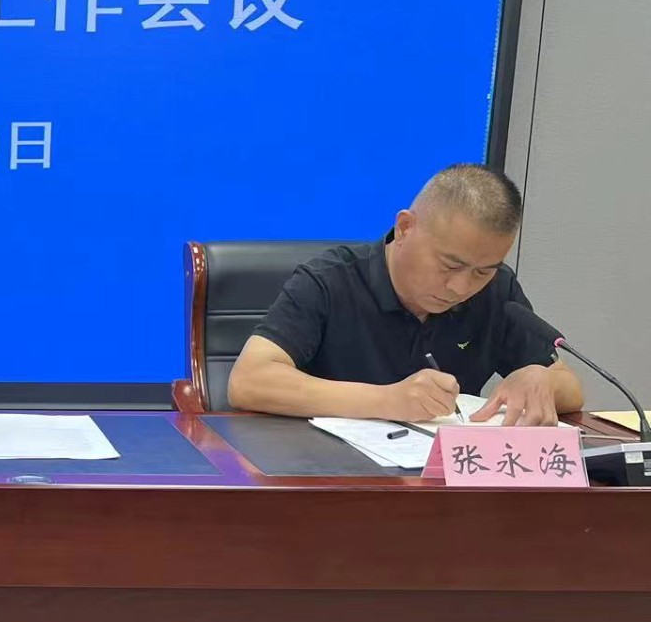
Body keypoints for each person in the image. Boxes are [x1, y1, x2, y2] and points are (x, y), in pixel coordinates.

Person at [228, 163, 584, 426]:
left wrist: (539, 379)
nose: (461, 288)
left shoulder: (497, 291)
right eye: (450, 265)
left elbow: (570, 387)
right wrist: (385, 400)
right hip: (328, 480)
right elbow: (249, 381)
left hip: (441, 485)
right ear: (405, 228)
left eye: (482, 271)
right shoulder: (329, 281)